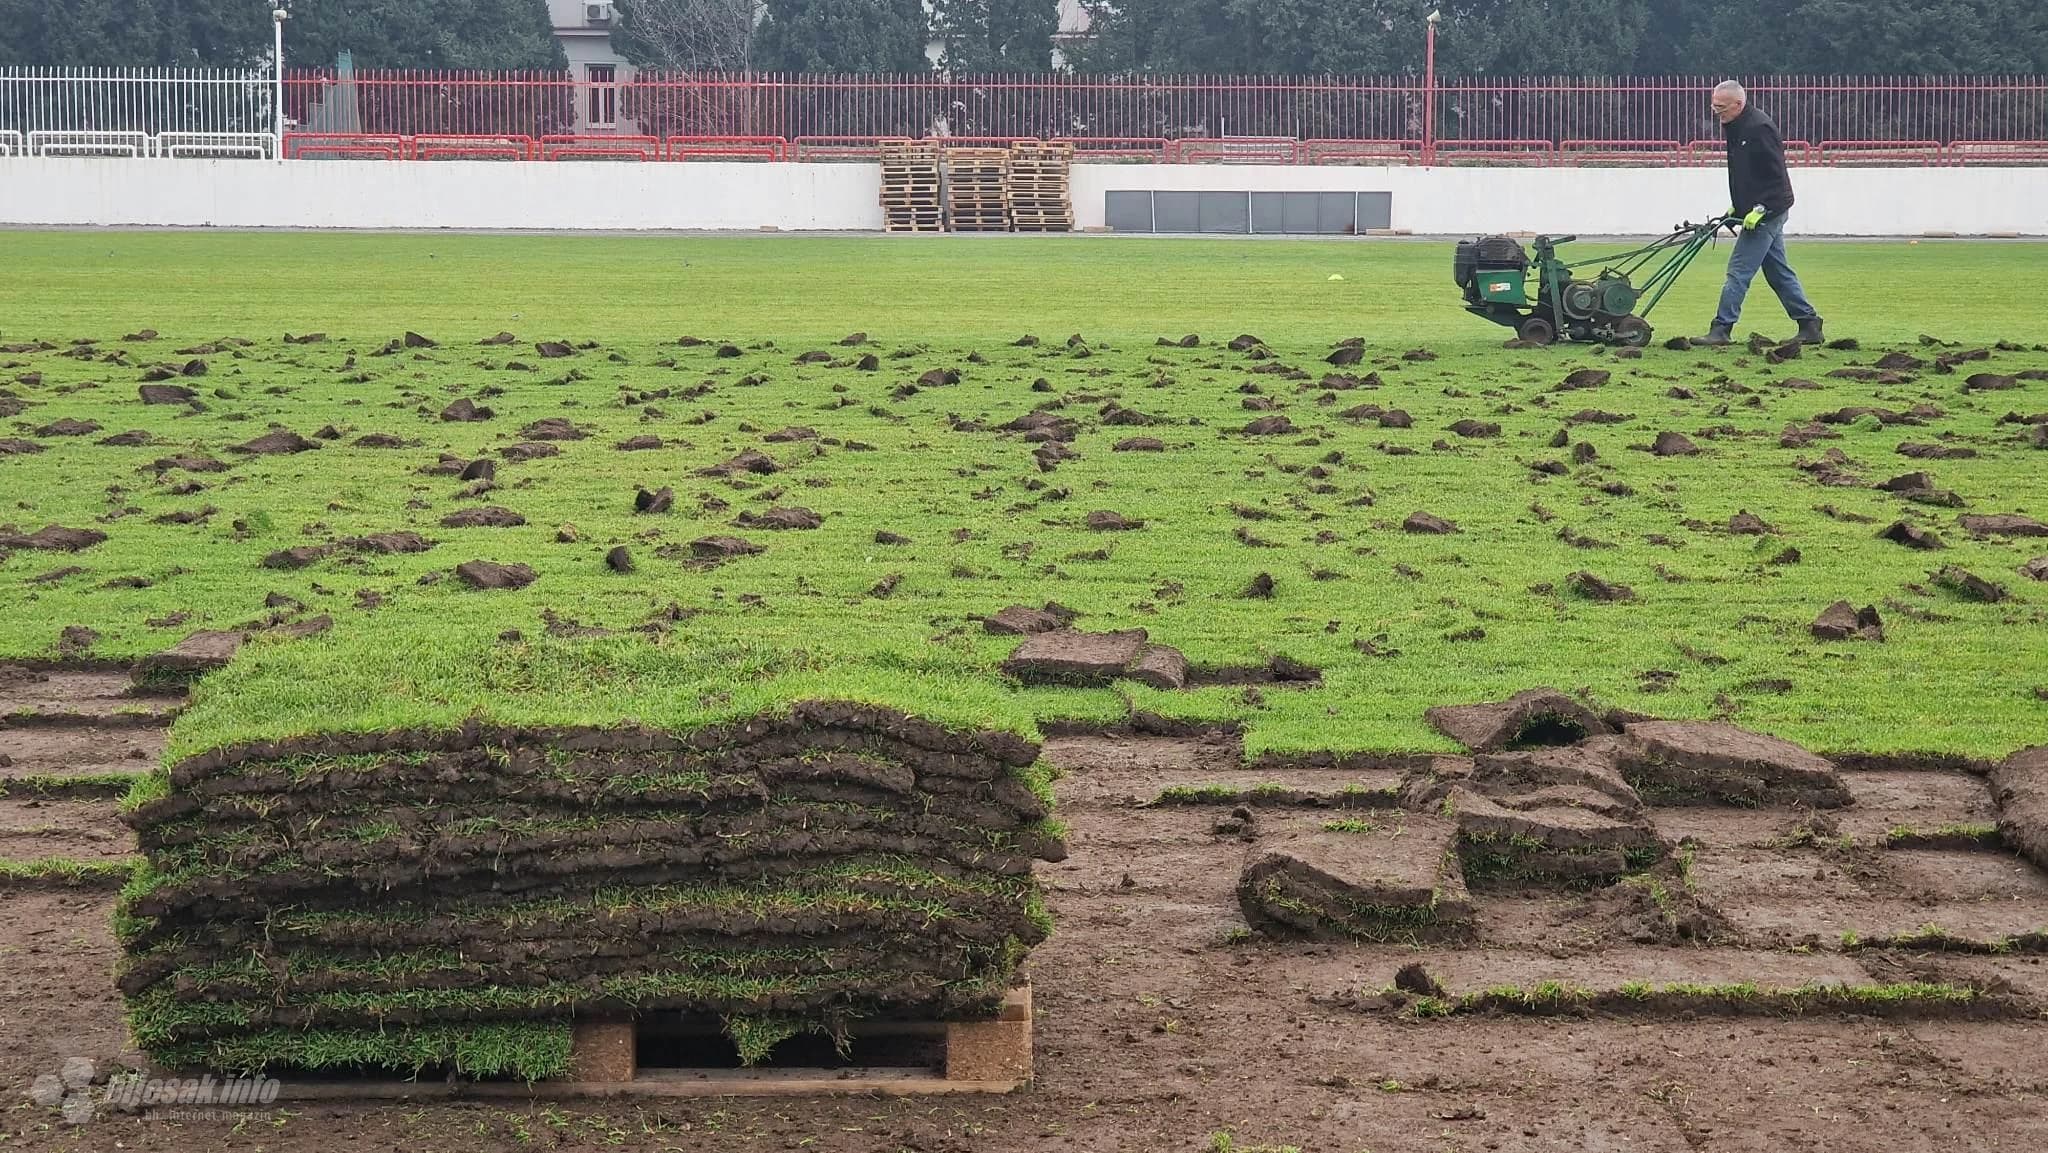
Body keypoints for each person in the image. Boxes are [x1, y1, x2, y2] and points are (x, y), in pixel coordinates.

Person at [1697, 81, 1823, 347]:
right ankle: (1809, 324)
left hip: (1769, 211)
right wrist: (1737, 207)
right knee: (1778, 272)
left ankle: (1721, 329)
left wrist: (1761, 208)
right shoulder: (1734, 126)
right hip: (1757, 209)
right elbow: (1746, 173)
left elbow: (1775, 174)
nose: (1716, 113)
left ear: (1738, 105)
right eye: (1713, 107)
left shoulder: (1759, 128)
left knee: (1738, 271)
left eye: (1720, 108)